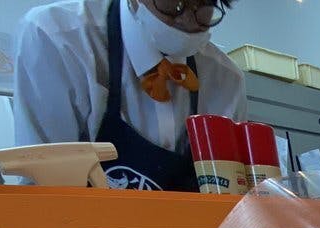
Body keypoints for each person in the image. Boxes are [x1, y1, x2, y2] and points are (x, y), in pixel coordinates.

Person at [13, 0, 247, 191]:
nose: (186, 19)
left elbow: (231, 200)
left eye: (204, 6)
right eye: (173, 3)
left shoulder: (225, 80)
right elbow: (47, 191)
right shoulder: (58, 39)